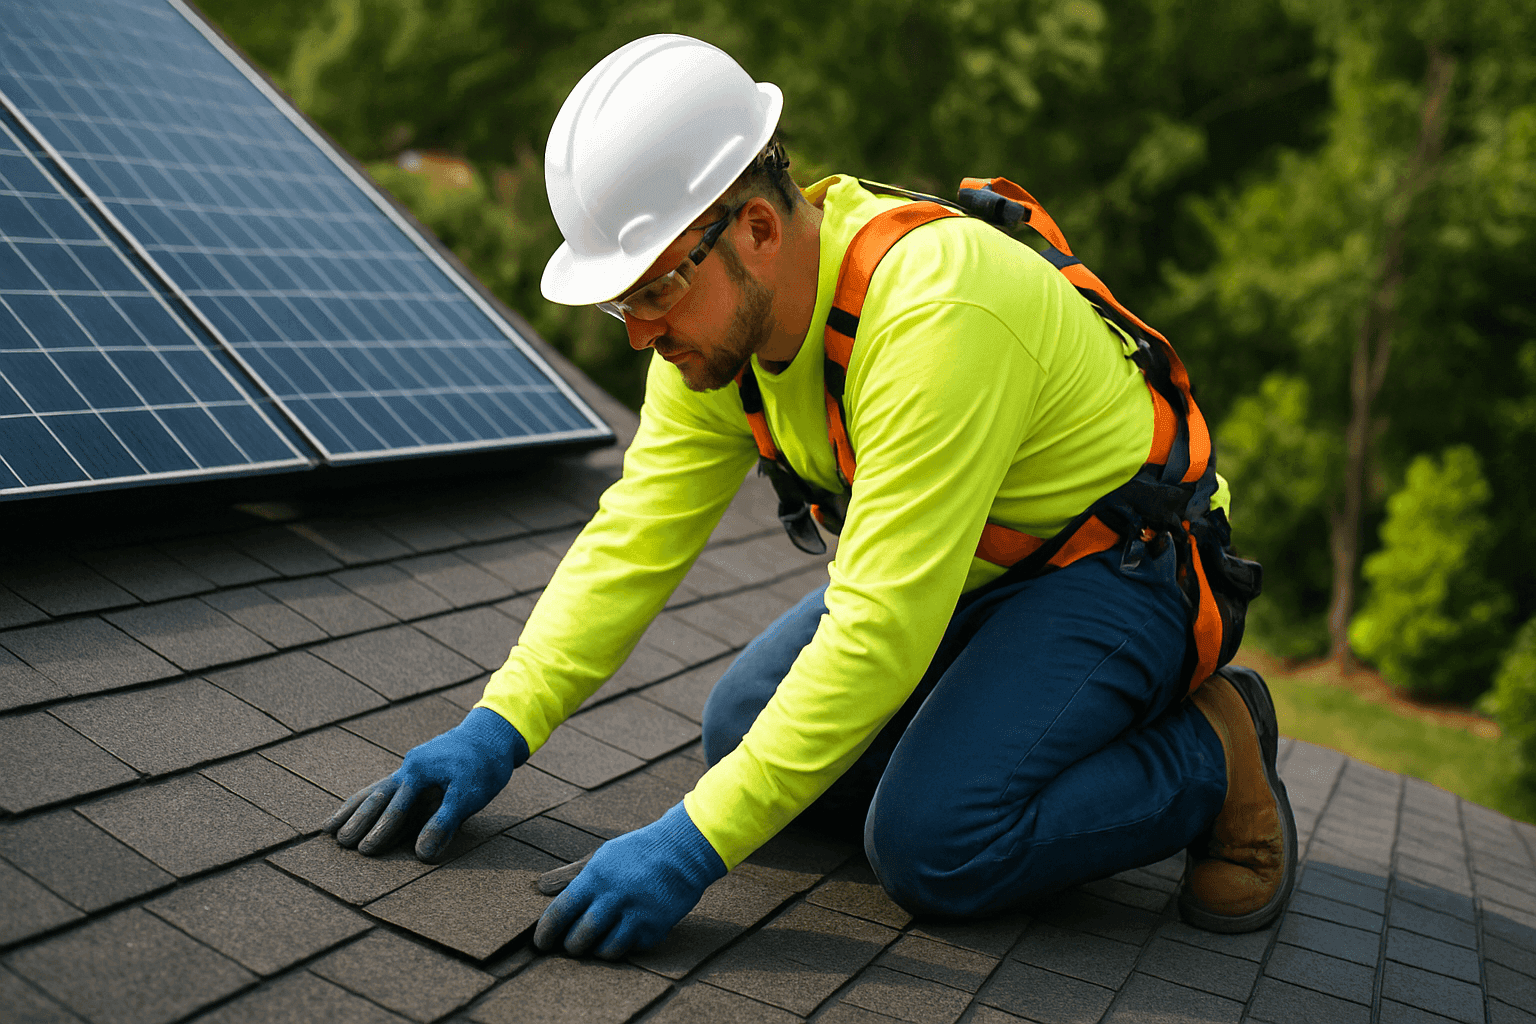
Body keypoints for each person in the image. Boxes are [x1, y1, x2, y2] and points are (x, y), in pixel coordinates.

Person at [324, 33, 1295, 960]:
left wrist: (692, 847)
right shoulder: (716, 341)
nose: (636, 334)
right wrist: (500, 725)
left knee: (933, 846)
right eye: (623, 302)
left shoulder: (934, 314)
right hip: (975, 570)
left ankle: (1214, 752)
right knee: (739, 731)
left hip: (1124, 569)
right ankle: (992, 741)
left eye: (652, 291)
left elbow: (876, 631)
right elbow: (633, 540)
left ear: (753, 229)